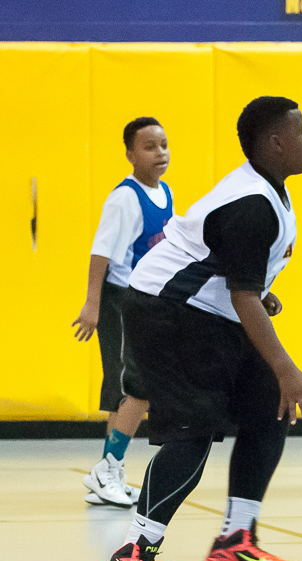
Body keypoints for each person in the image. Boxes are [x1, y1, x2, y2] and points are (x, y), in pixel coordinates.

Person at [102, 96, 302, 561]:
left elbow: (236, 278)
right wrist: (287, 367)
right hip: (166, 310)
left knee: (270, 405)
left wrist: (260, 295)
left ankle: (235, 540)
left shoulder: (268, 190)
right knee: (194, 428)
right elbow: (241, 294)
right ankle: (133, 553)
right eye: (301, 131)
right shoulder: (252, 205)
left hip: (203, 310)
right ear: (275, 142)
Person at [72, 117, 173, 508]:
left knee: (130, 389)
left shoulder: (165, 192)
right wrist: (93, 303)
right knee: (131, 388)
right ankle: (107, 469)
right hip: (120, 300)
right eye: (149, 147)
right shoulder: (125, 198)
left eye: (163, 144)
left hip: (145, 301)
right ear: (130, 154)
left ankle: (108, 472)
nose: (160, 152)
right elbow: (101, 252)